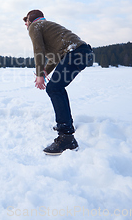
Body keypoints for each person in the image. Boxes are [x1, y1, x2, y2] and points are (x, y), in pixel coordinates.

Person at [24, 10, 93, 155]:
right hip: (84, 53)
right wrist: (43, 72)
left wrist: (38, 74)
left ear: (31, 20)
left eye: (26, 21)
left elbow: (38, 49)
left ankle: (66, 137)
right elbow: (56, 56)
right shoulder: (48, 27)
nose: (25, 24)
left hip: (75, 53)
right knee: (56, 87)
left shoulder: (35, 27)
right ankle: (66, 125)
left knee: (54, 89)